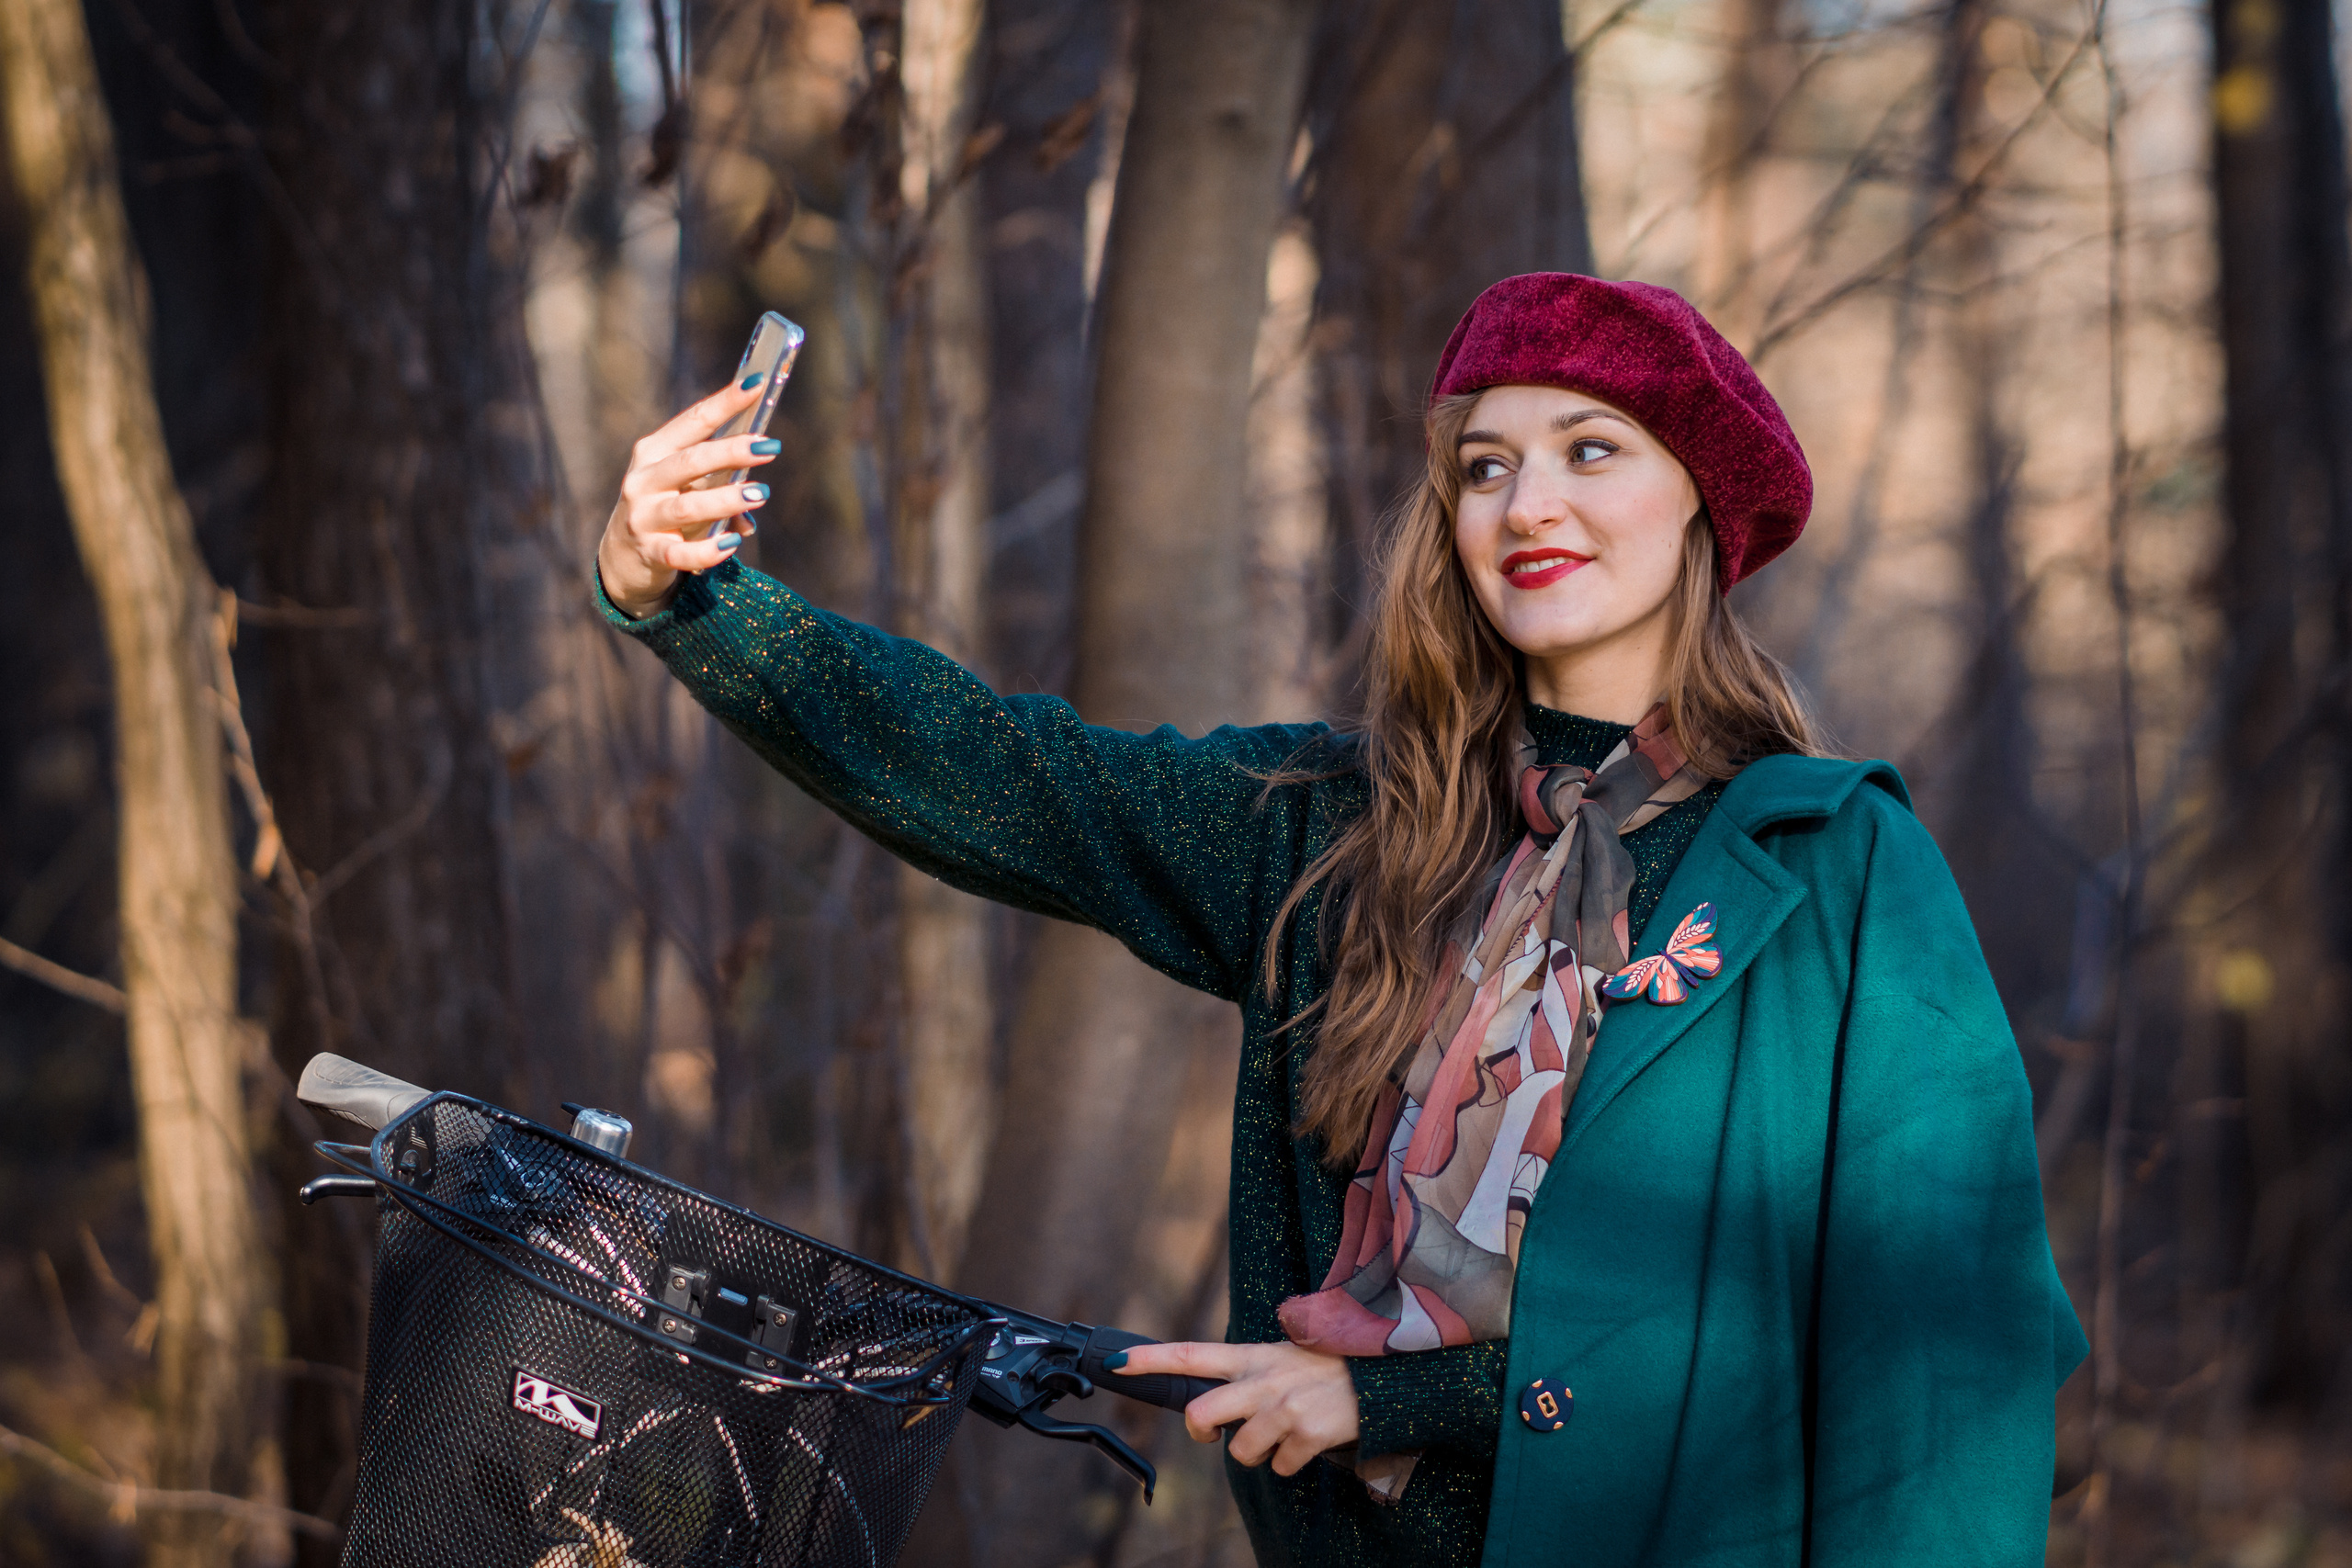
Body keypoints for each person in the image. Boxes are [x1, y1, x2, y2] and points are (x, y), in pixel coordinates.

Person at [594, 274, 2086, 1567]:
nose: (1531, 504)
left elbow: (1942, 1354)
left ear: (1700, 496)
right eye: (1485, 466)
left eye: (1591, 451)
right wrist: (703, 602)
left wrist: (1389, 1399)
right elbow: (1017, 778)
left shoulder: (1832, 867)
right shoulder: (1339, 829)